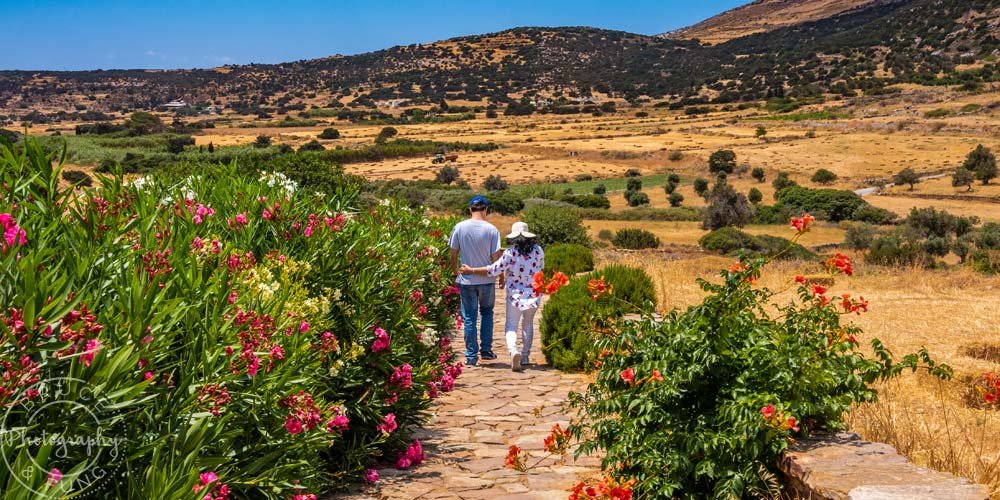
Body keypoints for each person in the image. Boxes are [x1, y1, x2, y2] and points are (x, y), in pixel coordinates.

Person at [461, 221, 543, 372]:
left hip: (515, 295)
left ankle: (513, 351)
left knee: (511, 325)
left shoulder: (510, 253)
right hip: (533, 293)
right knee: (528, 323)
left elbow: (493, 270)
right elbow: (541, 269)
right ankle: (525, 357)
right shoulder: (538, 251)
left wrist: (471, 270)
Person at [449, 195, 502, 366]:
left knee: (470, 317)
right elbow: (496, 256)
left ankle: (471, 356)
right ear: (486, 209)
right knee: (487, 313)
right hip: (486, 279)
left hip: (467, 280)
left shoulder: (460, 227)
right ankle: (486, 350)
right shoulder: (492, 229)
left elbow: (453, 252)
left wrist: (456, 271)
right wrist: (501, 275)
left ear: (470, 209)